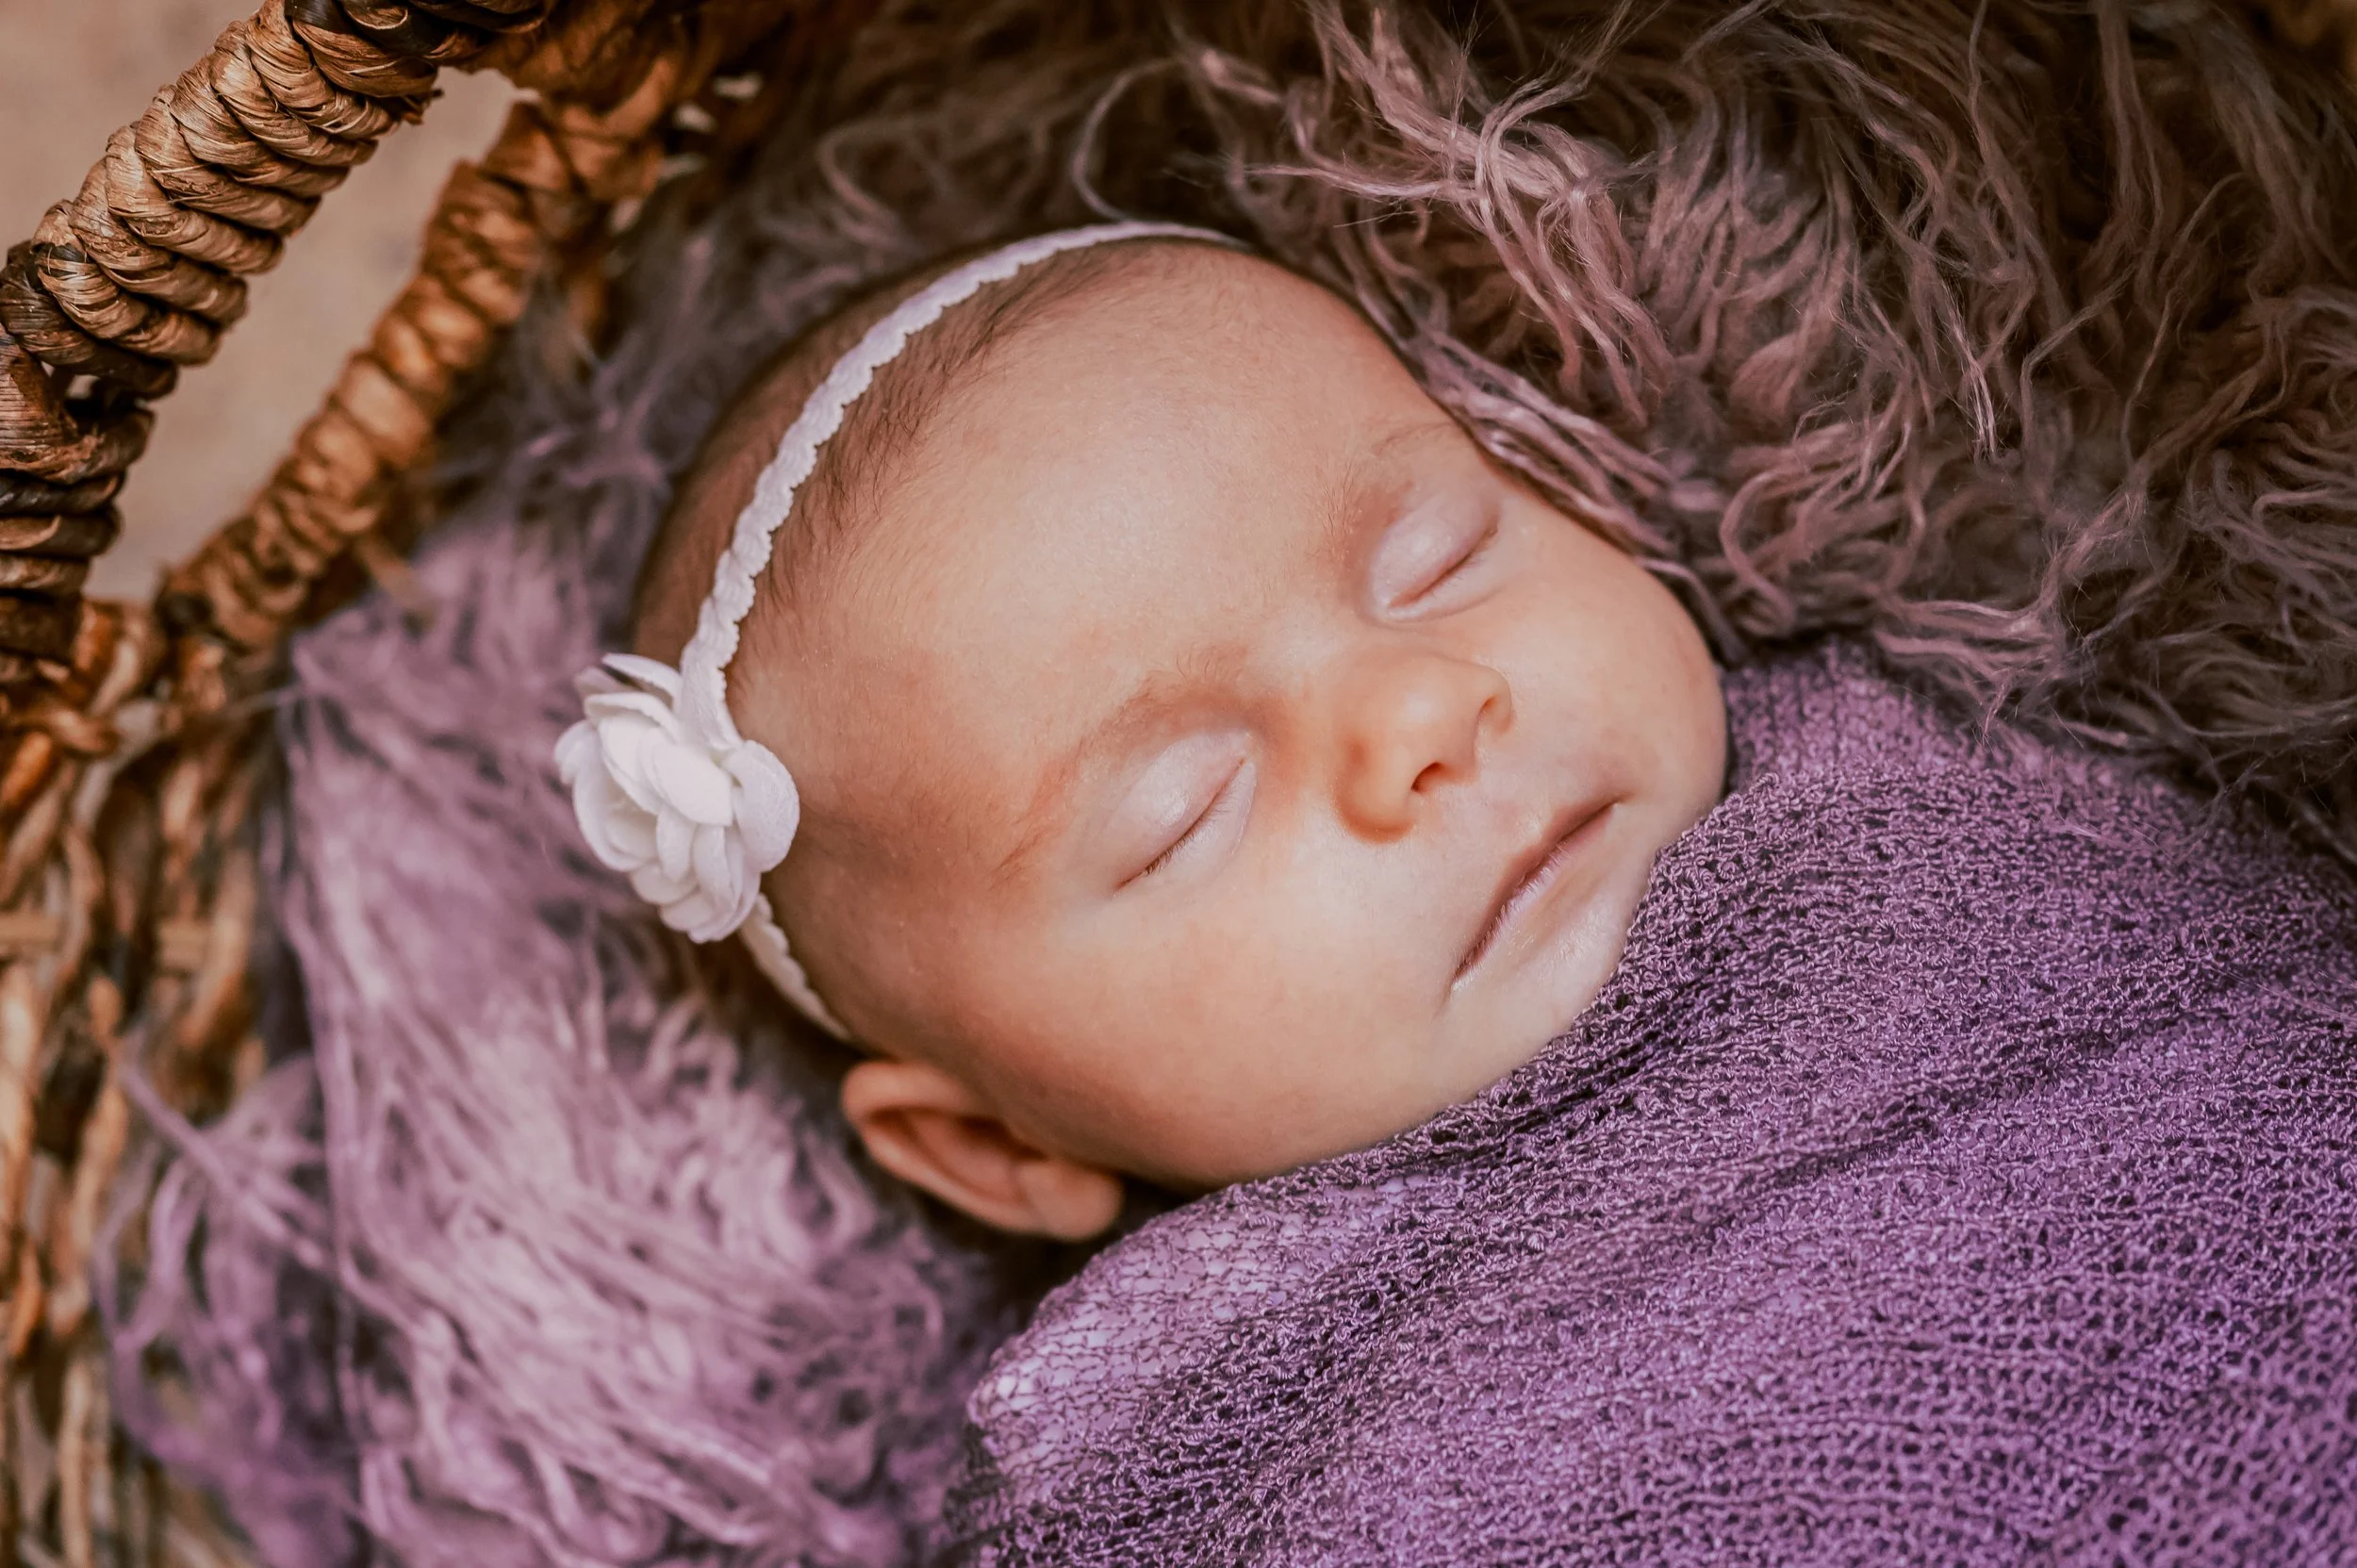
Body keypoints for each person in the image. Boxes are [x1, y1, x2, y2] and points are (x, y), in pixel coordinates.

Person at [559, 223, 1727, 1239]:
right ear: (998, 1144)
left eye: (1438, 559)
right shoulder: (1220, 1395)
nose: (1419, 713)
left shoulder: (1840, 746)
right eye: (1188, 812)